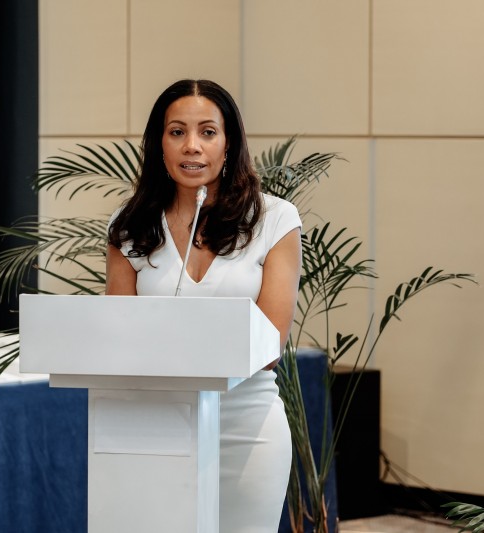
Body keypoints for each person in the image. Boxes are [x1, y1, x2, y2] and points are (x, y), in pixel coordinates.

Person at [106, 79, 302, 532]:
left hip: (246, 425)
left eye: (207, 132)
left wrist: (166, 340)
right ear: (159, 143)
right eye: (177, 132)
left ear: (228, 143)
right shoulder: (129, 225)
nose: (191, 146)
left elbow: (269, 345)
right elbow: (118, 334)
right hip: (154, 422)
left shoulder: (274, 220)